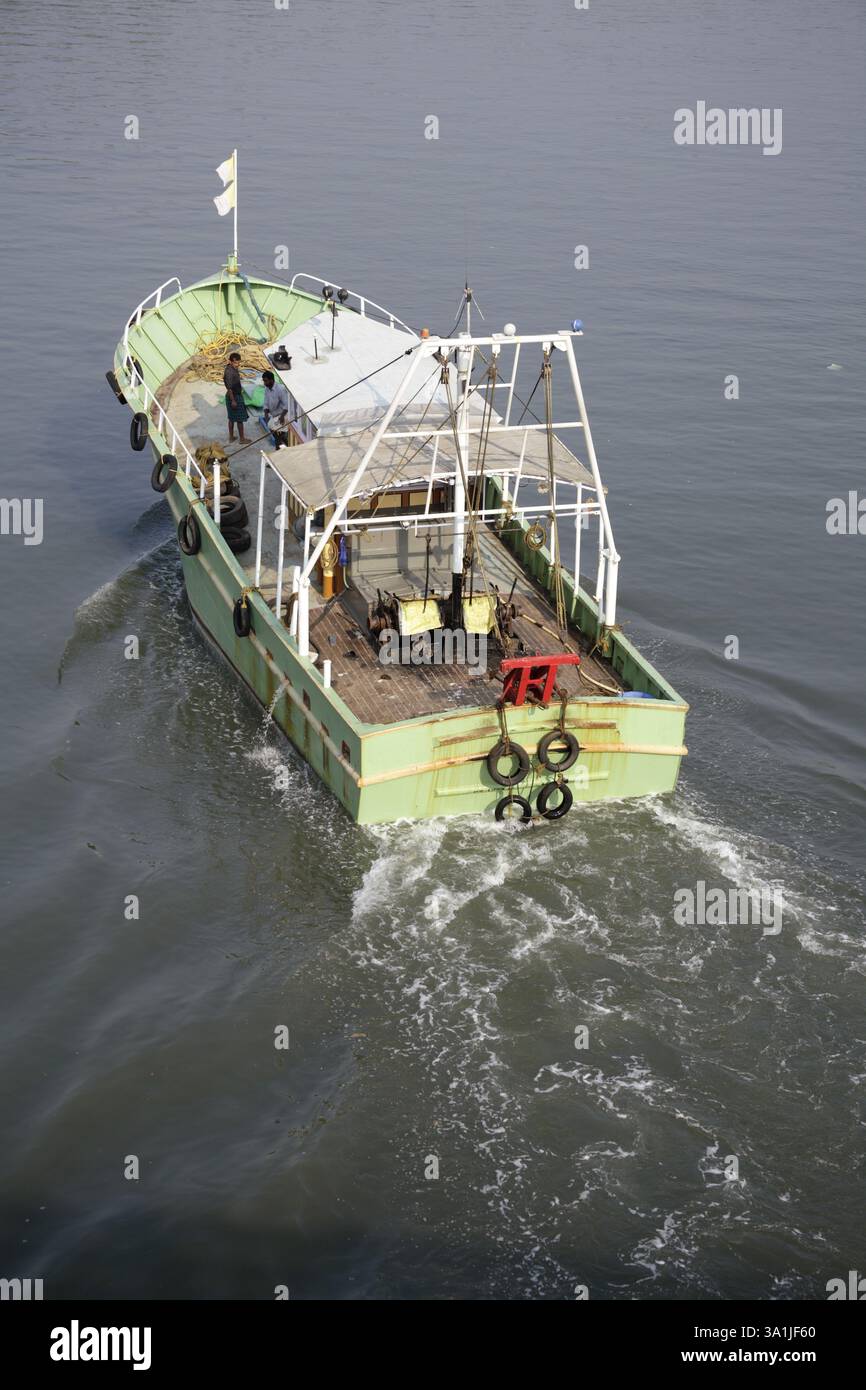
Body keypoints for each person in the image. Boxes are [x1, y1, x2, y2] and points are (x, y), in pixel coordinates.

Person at [259, 370, 291, 449]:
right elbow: (266, 402)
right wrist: (266, 414)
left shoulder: (280, 389)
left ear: (272, 380)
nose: (264, 383)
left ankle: (278, 449)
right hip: (274, 415)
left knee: (277, 434)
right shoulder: (267, 389)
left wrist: (282, 416)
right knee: (273, 430)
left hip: (284, 414)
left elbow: (287, 405)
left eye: (266, 381)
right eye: (264, 381)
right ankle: (285, 444)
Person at [223, 351, 248, 444]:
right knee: (239, 419)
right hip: (234, 396)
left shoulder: (232, 368)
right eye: (235, 362)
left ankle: (231, 437)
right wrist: (233, 400)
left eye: (238, 362)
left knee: (231, 418)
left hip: (233, 395)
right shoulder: (229, 372)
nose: (237, 364)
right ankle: (242, 439)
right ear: (230, 361)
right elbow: (229, 388)